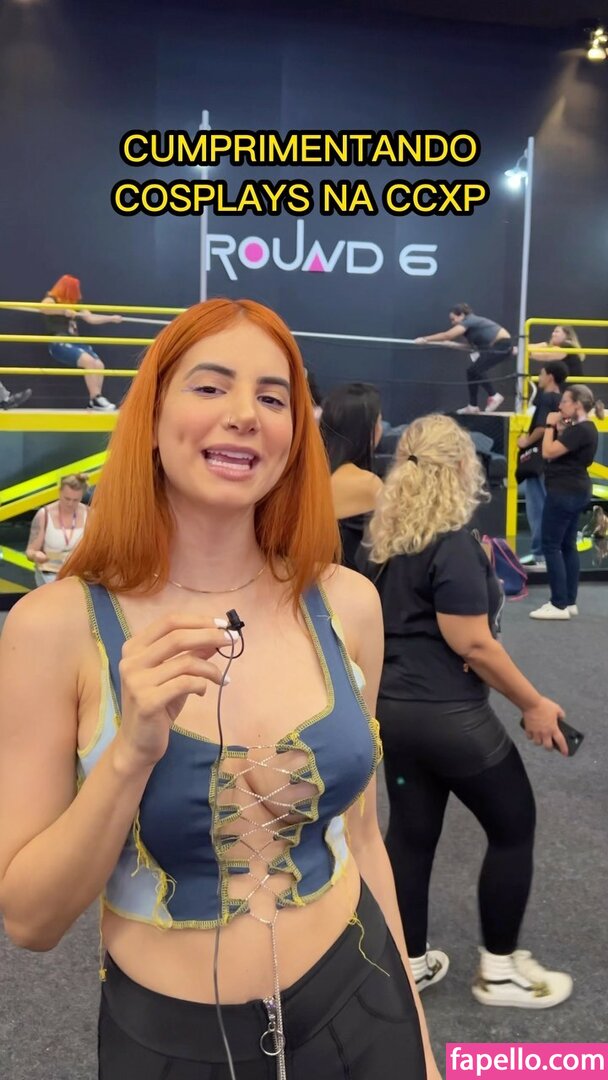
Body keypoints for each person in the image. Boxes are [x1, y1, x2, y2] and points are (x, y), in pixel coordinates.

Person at [0, 299, 438, 1080]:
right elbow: (30, 921)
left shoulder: (346, 604)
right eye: (210, 386)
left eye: (273, 397)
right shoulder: (53, 628)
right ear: (152, 415)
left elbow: (363, 837)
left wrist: (422, 1041)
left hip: (365, 1003)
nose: (245, 414)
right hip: (171, 1046)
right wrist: (130, 756)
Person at [365, 414, 573, 1009]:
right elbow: (474, 644)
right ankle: (500, 974)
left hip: (396, 715)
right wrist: (534, 704)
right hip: (449, 718)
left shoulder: (383, 545)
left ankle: (410, 963)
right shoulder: (452, 543)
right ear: (461, 468)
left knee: (411, 834)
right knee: (514, 826)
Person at [530, 385, 604, 620]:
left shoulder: (581, 430)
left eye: (564, 402)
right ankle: (569, 601)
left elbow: (548, 452)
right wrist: (561, 429)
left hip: (565, 492)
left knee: (551, 545)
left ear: (577, 405)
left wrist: (550, 426)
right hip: (575, 490)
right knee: (567, 545)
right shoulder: (585, 429)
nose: (560, 406)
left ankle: (558, 604)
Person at [320, 382, 384, 571]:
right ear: (367, 430)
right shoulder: (369, 485)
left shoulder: (299, 476)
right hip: (343, 583)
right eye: (379, 422)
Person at [41, 275, 122, 411]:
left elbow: (91, 318)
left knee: (99, 365)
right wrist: (63, 311)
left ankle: (95, 400)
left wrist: (111, 318)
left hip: (75, 341)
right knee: (89, 362)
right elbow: (44, 308)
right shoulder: (51, 298)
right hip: (59, 340)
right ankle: (96, 398)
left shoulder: (76, 302)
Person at [415, 303, 512, 414]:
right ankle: (473, 406)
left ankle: (493, 396)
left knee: (475, 370)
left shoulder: (469, 321)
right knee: (472, 371)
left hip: (501, 345)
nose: (452, 323)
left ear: (461, 315)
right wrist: (449, 344)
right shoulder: (472, 328)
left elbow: (447, 335)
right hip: (496, 347)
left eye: (453, 319)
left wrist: (425, 339)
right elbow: (468, 347)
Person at [517, 361, 568, 569]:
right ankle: (553, 552)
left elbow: (540, 427)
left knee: (537, 508)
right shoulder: (563, 400)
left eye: (541, 373)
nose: (539, 377)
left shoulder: (546, 399)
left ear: (550, 376)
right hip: (556, 460)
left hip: (539, 461)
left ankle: (540, 555)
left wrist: (526, 441)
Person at [25, 473, 89, 585]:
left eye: (75, 500)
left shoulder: (90, 514)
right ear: (59, 492)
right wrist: (36, 555)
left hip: (80, 576)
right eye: (67, 498)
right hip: (49, 575)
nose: (70, 503)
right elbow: (30, 551)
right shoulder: (44, 515)